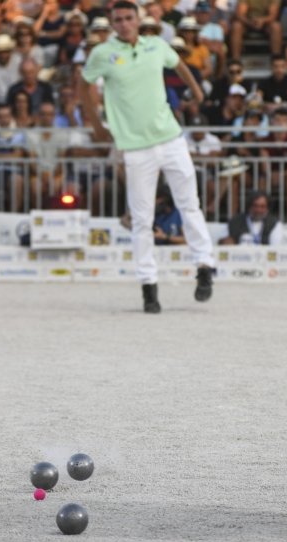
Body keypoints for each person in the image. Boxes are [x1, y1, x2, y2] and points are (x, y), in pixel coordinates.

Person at [80, 0, 215, 313]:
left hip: (171, 138)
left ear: (138, 19)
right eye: (119, 19)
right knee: (141, 219)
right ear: (112, 23)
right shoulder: (102, 53)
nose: (125, 23)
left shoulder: (156, 44)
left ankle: (205, 267)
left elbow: (178, 63)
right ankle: (148, 287)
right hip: (135, 146)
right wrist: (97, 125)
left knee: (189, 204)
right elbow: (82, 85)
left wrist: (196, 92)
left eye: (129, 18)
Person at [260, 107, 287, 221]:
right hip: (270, 175)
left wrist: (281, 175)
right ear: (272, 122)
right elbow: (264, 165)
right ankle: (263, 218)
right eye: (277, 120)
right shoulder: (265, 141)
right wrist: (271, 174)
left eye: (284, 120)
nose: (280, 123)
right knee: (262, 182)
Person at [218, 190, 283, 245]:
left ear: (267, 208)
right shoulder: (234, 221)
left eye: (262, 207)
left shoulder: (274, 224)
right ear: (249, 206)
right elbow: (221, 243)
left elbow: (276, 249)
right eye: (255, 206)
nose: (258, 210)